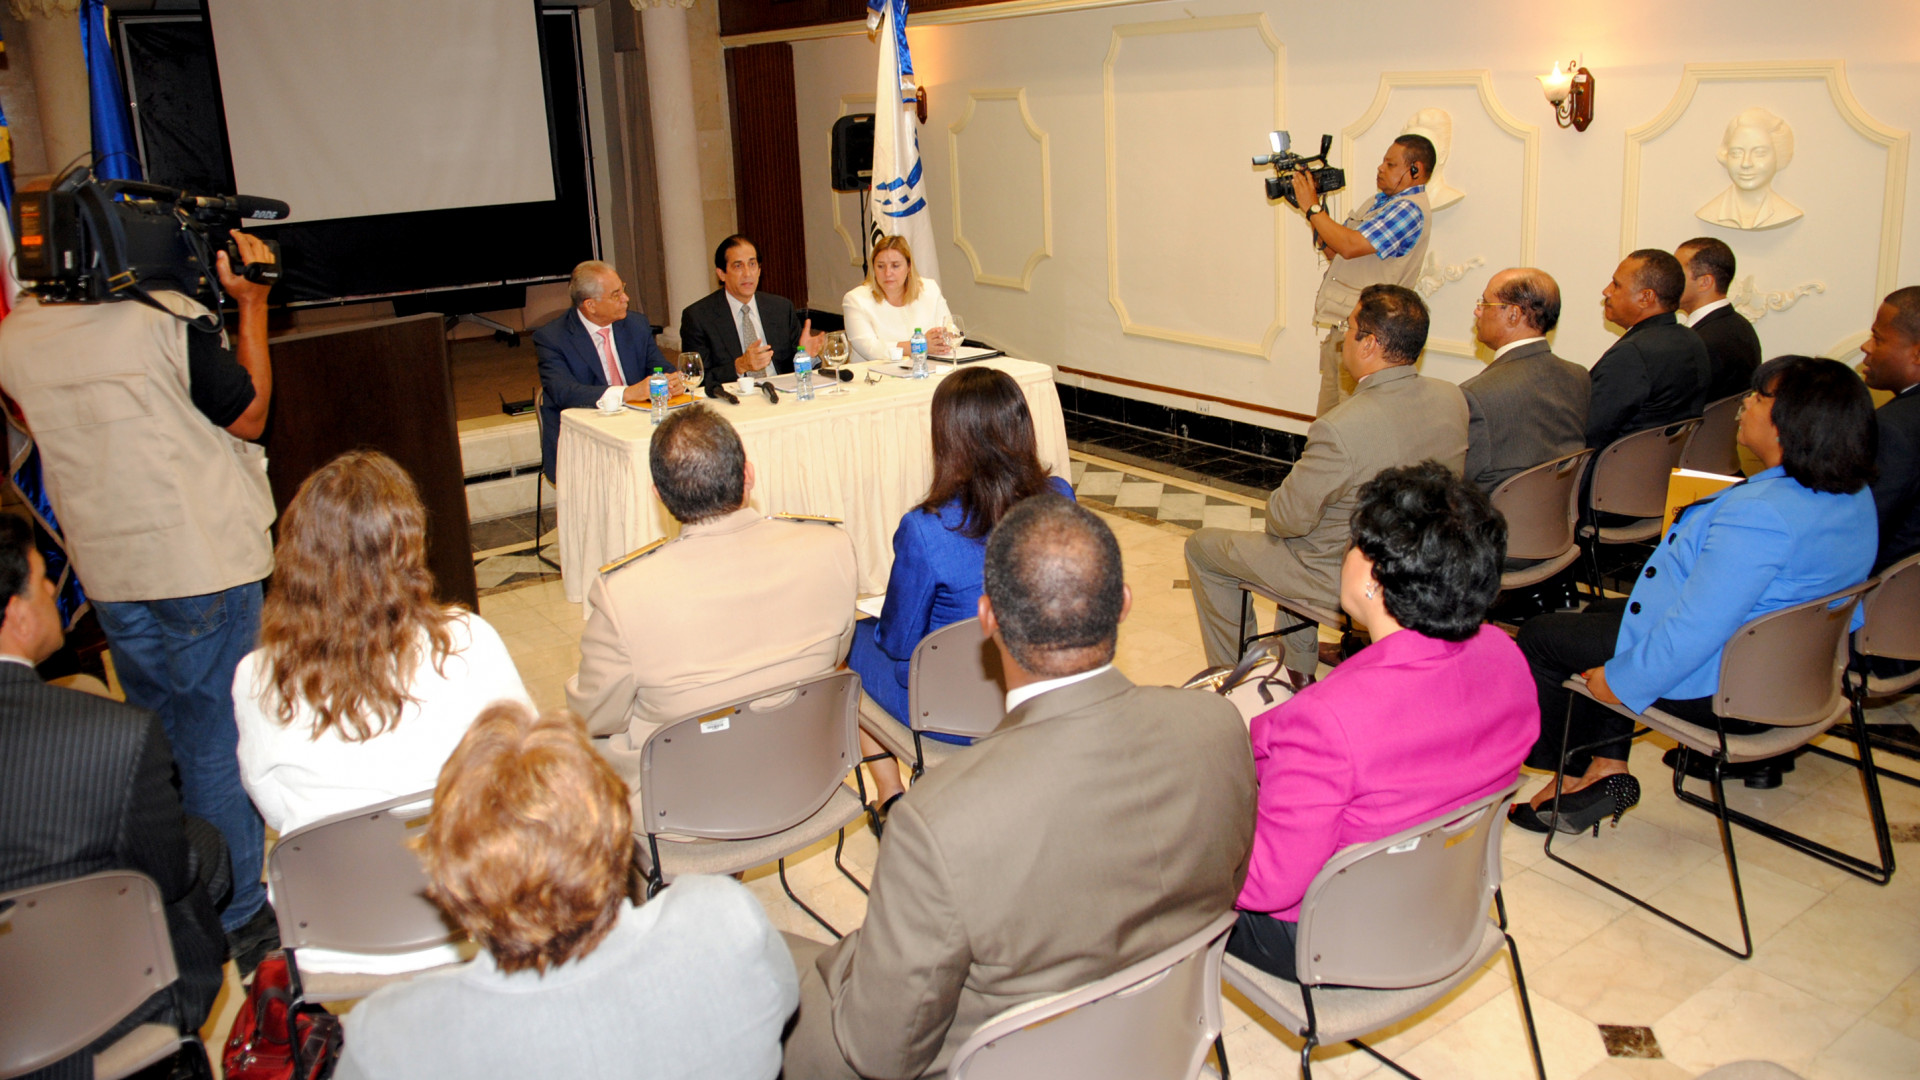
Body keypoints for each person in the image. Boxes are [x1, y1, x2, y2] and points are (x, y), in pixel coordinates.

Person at [783, 495, 1256, 1080]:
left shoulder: (937, 820)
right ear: (1124, 604)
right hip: (1158, 1038)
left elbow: (877, 1053)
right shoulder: (1218, 727)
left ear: (988, 620)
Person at [0, 229, 278, 958]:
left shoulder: (16, 334)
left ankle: (180, 894)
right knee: (216, 738)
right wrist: (251, 304)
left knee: (157, 736)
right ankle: (239, 913)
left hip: (109, 567)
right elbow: (249, 413)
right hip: (200, 559)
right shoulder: (162, 320)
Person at [331, 703, 798, 1080]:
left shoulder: (390, 1039)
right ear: (617, 833)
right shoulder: (725, 919)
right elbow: (786, 1002)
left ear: (452, 882)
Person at [1513, 356, 1878, 826]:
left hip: (1731, 692)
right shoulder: (1851, 494)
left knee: (1541, 637)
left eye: (1758, 397)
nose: (1744, 405)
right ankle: (1606, 766)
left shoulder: (1761, 515)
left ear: (1791, 422)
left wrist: (1622, 682)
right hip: (1794, 674)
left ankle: (1568, 776)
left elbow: (1695, 629)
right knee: (1600, 615)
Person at [1229, 463, 1536, 980]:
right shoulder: (1506, 657)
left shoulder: (1330, 721)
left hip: (1332, 939)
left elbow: (1265, 884)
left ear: (1373, 576)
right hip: (1448, 906)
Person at [233, 451, 533, 974]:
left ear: (296, 557)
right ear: (408, 547)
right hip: (471, 921)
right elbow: (526, 770)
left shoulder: (257, 677)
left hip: (333, 939)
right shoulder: (469, 642)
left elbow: (277, 813)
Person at [0, 515, 231, 1079]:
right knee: (203, 848)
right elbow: (168, 875)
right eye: (41, 576)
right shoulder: (116, 737)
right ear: (14, 614)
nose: (52, 587)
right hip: (104, 1018)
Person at [567, 404, 856, 812]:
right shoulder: (831, 547)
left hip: (687, 809)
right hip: (809, 779)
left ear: (659, 495)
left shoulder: (623, 593)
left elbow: (592, 716)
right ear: (749, 476)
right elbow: (837, 655)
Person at [1186, 284, 1467, 686]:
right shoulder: (1452, 398)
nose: (1342, 338)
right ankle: (1297, 669)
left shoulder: (1341, 427)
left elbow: (1285, 519)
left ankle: (1235, 681)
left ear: (1369, 343)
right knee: (1314, 533)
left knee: (1204, 548)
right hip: (1428, 558)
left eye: (1348, 327)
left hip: (1349, 572)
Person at [848, 367, 1072, 806]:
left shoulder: (926, 529)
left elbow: (897, 642)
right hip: (1044, 690)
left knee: (847, 643)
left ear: (947, 439)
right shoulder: (1061, 495)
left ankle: (890, 796)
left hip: (951, 709)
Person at [1294, 133, 1437, 416]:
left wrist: (1312, 208)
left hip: (1371, 340)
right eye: (1383, 162)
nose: (1380, 168)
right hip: (1346, 327)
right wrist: (1313, 213)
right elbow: (1335, 251)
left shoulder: (1409, 209)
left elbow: (1350, 246)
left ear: (1415, 170)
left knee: (1354, 422)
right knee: (1328, 420)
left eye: (1391, 164)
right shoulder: (1377, 203)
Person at [532, 260, 675, 484]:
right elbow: (563, 392)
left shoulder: (636, 325)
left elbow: (659, 367)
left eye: (623, 289)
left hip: (638, 428)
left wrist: (671, 380)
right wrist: (627, 393)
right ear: (590, 305)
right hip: (584, 439)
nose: (626, 298)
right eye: (616, 295)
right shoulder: (552, 338)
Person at [1461, 268, 1590, 495]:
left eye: (1485, 303)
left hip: (1490, 513)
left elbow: (1458, 479)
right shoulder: (1578, 376)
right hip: (1555, 510)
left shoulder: (1476, 393)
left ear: (1513, 314)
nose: (1477, 311)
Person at [1587, 249, 1712, 451]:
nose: (1606, 291)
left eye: (1616, 285)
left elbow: (1589, 432)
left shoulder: (1632, 354)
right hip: (1661, 463)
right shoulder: (1691, 339)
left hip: (1614, 465)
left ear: (1646, 298)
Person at [680, 235, 826, 387]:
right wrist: (739, 366)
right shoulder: (698, 317)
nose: (748, 273)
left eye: (752, 264)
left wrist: (806, 356)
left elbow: (792, 368)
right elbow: (696, 379)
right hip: (734, 394)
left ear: (759, 270)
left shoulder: (781, 308)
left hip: (781, 392)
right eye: (738, 266)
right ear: (721, 274)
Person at [1860, 286, 1920, 574]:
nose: (1866, 347)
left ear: (1917, 354)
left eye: (1878, 338)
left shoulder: (1893, 428)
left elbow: (1863, 530)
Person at [841, 235, 955, 363]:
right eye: (880, 266)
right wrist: (919, 346)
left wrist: (943, 338)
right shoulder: (855, 299)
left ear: (908, 267)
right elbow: (870, 349)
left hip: (927, 368)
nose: (887, 273)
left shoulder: (929, 288)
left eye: (895, 266)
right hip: (874, 372)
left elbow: (950, 330)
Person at [1676, 237, 1763, 401]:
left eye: (1676, 274)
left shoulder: (1697, 343)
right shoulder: (1741, 326)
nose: (1668, 281)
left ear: (1705, 282)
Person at [1696, 108, 1802, 231]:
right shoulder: (1710, 211)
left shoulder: (1785, 212)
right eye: (1736, 153)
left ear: (1777, 156)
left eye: (1759, 153)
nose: (1746, 163)